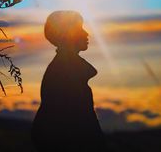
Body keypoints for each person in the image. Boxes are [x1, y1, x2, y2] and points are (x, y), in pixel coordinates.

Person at [31, 11, 105, 152]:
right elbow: (81, 127)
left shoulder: (63, 70)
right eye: (80, 29)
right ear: (67, 35)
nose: (86, 34)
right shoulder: (66, 74)